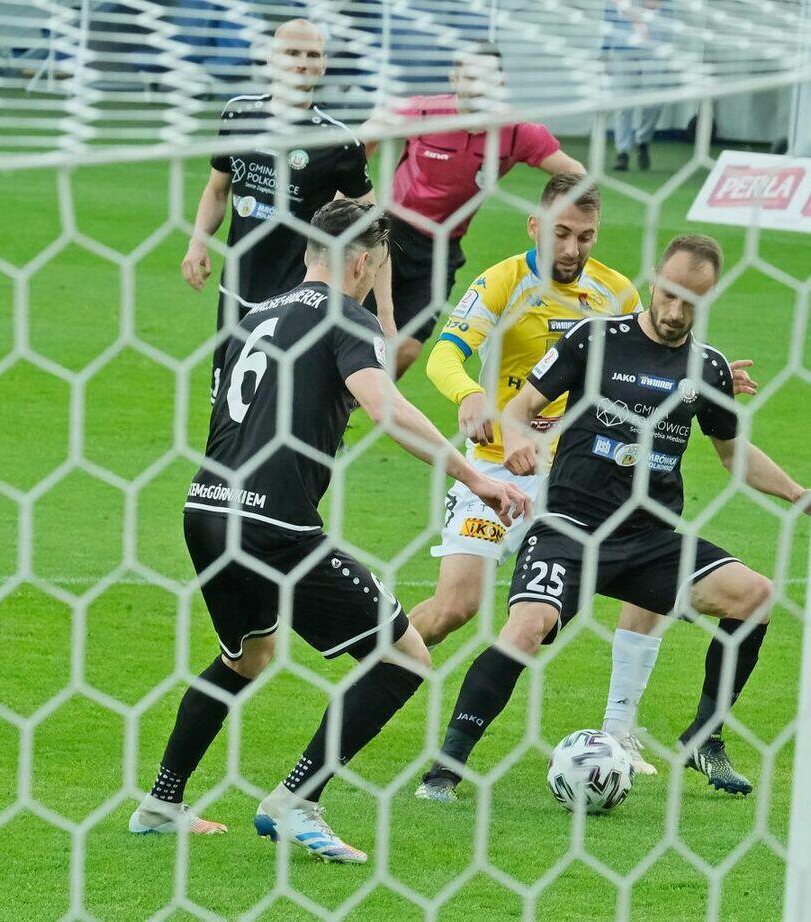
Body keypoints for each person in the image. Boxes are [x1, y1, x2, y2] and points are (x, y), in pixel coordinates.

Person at [131, 200, 530, 862]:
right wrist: (476, 479)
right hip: (275, 524)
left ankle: (161, 803)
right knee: (404, 658)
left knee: (247, 657)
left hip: (206, 510)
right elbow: (385, 407)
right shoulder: (346, 318)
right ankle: (296, 801)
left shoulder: (254, 316)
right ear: (364, 263)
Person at [415, 235, 808, 802]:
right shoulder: (594, 338)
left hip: (649, 540)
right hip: (570, 528)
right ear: (653, 280)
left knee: (755, 596)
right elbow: (522, 407)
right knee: (526, 629)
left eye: (692, 302)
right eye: (669, 294)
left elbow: (732, 454)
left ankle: (705, 736)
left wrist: (796, 493)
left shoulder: (707, 368)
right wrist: (518, 438)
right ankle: (445, 768)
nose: (676, 311)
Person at [181, 18, 387, 400]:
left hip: (298, 298)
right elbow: (217, 190)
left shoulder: (337, 140)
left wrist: (378, 309)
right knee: (226, 402)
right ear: (272, 58)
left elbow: (372, 225)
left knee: (281, 406)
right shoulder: (238, 115)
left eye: (312, 55)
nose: (302, 63)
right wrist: (197, 243)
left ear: (323, 65)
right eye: (292, 53)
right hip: (237, 288)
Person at [362, 42, 585, 377]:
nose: (478, 86)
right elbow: (364, 137)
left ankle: (357, 400)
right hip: (390, 233)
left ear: (501, 84)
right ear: (454, 79)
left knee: (407, 348)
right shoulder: (424, 113)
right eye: (470, 76)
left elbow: (576, 174)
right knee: (357, 330)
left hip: (441, 248)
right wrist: (355, 196)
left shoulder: (516, 133)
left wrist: (557, 220)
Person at [604, 0, 673, 172]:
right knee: (622, 103)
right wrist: (604, 50)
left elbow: (668, 12)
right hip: (622, 48)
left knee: (653, 102)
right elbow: (609, 14)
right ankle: (623, 152)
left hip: (654, 47)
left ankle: (643, 140)